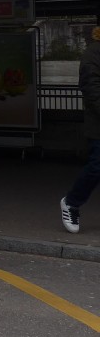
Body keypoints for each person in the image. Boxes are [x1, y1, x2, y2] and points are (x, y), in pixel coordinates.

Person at [61, 25, 100, 233]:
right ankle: (71, 202)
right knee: (97, 167)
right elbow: (91, 89)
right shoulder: (93, 54)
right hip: (99, 125)